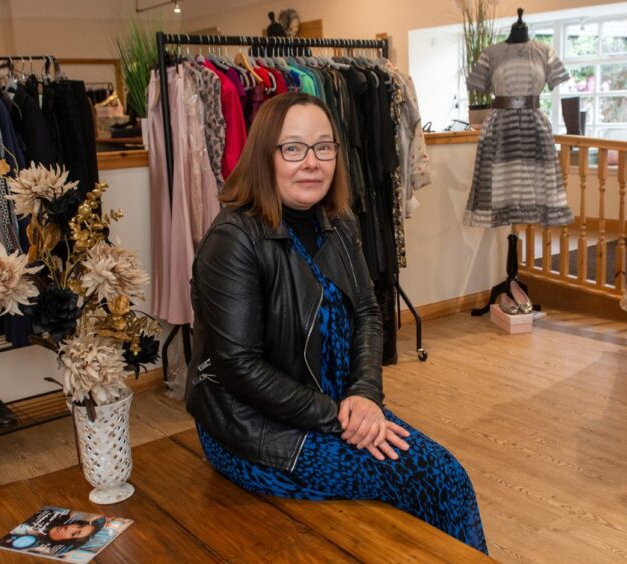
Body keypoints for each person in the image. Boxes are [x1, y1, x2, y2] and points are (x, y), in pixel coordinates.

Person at [185, 92, 488, 554]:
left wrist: (365, 397)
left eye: (324, 147)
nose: (312, 162)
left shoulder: (338, 221)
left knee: (439, 482)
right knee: (440, 481)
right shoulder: (233, 241)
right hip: (257, 431)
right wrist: (340, 417)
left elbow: (368, 312)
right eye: (294, 148)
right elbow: (238, 366)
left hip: (335, 410)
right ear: (264, 155)